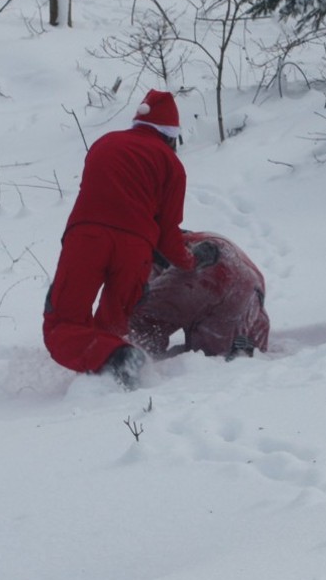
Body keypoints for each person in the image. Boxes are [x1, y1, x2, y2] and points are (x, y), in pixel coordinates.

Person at [43, 89, 204, 388]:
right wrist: (191, 261)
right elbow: (168, 234)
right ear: (171, 136)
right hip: (135, 250)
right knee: (112, 326)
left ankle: (115, 360)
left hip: (87, 239)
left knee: (63, 323)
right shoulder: (172, 166)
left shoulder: (104, 144)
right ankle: (116, 367)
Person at [130, 231, 270, 360]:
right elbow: (262, 327)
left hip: (199, 262)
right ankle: (235, 348)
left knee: (142, 319)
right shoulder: (256, 309)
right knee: (211, 355)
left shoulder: (154, 249)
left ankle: (136, 355)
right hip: (248, 285)